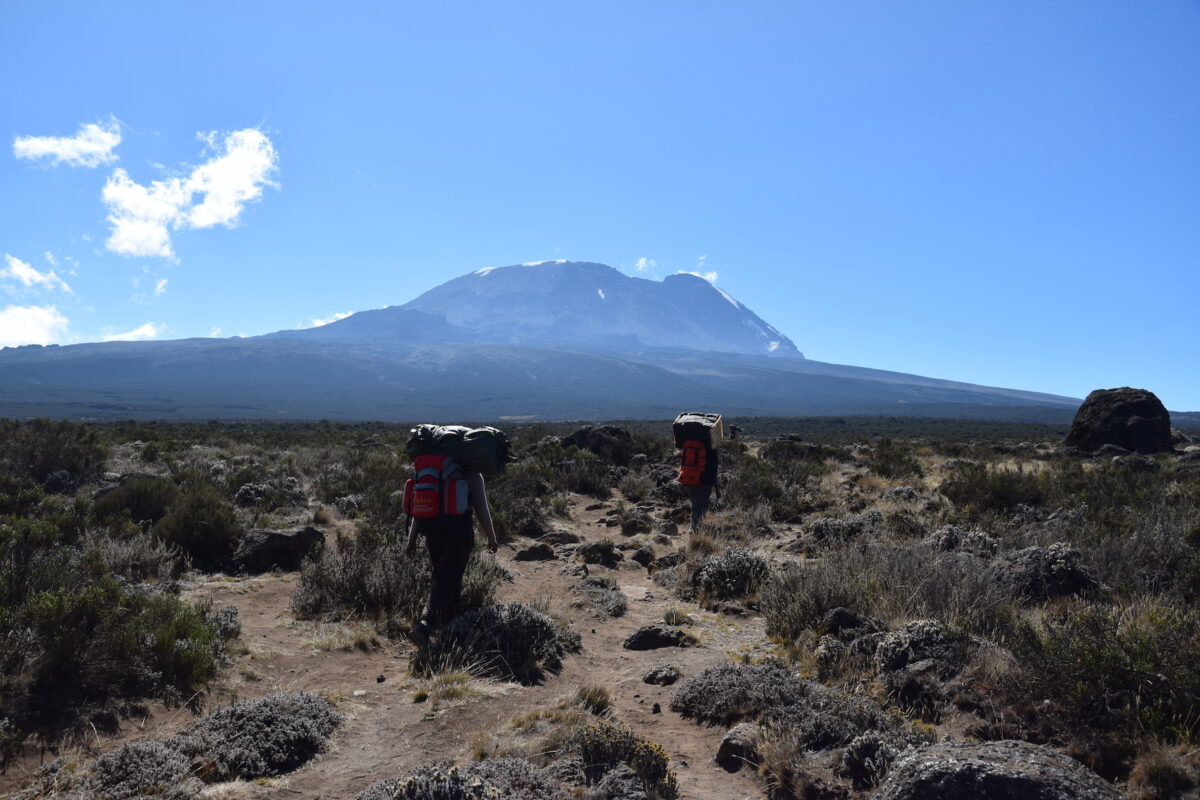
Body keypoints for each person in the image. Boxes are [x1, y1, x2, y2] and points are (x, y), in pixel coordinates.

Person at [404, 470, 498, 646]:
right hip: (458, 535)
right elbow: (481, 509)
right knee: (446, 579)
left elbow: (419, 508)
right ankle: (426, 625)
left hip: (432, 535)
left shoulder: (432, 470)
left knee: (446, 578)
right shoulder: (471, 474)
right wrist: (491, 538)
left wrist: (412, 540)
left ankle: (451, 628)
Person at [685, 445, 720, 532]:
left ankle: (694, 530)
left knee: (695, 507)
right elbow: (714, 470)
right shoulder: (712, 450)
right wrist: (716, 489)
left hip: (688, 480)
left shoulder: (691, 445)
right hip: (703, 484)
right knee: (699, 510)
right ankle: (695, 535)